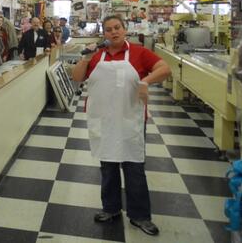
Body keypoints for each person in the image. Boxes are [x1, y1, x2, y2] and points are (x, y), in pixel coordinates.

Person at [72, 15, 171, 236]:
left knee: (133, 167)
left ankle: (140, 216)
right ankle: (111, 209)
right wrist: (85, 59)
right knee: (108, 167)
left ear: (125, 30)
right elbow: (77, 77)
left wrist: (146, 81)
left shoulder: (139, 52)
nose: (113, 32)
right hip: (104, 119)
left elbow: (164, 69)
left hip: (130, 120)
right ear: (104, 34)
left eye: (117, 28)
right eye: (108, 29)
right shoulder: (96, 55)